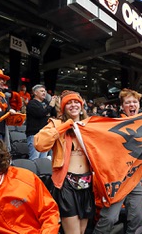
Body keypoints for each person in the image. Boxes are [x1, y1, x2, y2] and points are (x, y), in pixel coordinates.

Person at [34, 90, 93, 234]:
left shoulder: (90, 125)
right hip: (66, 183)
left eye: (76, 102)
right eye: (69, 103)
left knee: (81, 231)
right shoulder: (56, 124)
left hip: (87, 183)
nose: (73, 105)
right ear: (63, 107)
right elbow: (39, 143)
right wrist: (64, 127)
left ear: (82, 104)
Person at [93, 88, 142, 234]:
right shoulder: (113, 123)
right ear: (122, 106)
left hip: (133, 178)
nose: (132, 105)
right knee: (110, 218)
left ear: (139, 105)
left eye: (135, 102)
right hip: (116, 178)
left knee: (138, 217)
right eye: (128, 102)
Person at [26, 84, 57, 160]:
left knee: (43, 160)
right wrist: (50, 106)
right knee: (35, 158)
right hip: (34, 134)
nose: (44, 93)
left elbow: (54, 114)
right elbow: (40, 113)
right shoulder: (32, 103)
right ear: (35, 93)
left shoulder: (46, 102)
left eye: (45, 91)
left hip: (45, 135)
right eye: (41, 91)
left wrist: (52, 103)